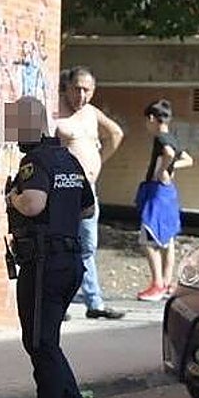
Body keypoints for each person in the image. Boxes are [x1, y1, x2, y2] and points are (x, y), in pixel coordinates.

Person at [3, 95, 99, 398]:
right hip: (68, 262)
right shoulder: (68, 159)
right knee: (44, 343)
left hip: (44, 263)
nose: (15, 137)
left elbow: (33, 203)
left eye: (17, 128)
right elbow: (88, 209)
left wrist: (12, 197)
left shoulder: (35, 161)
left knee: (41, 344)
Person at [55, 66, 126, 320]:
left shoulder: (91, 113)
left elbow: (116, 133)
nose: (81, 95)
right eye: (77, 89)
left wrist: (98, 161)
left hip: (87, 191)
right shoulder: (55, 110)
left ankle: (94, 303)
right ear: (67, 87)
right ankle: (59, 304)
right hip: (62, 190)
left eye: (87, 90)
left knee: (87, 247)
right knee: (61, 247)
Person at [135, 99, 193, 301]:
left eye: (147, 120)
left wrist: (162, 170)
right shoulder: (173, 137)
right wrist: (172, 167)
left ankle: (157, 285)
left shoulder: (161, 138)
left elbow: (168, 153)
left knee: (148, 240)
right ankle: (167, 283)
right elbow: (188, 160)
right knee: (167, 240)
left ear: (152, 118)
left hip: (157, 193)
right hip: (169, 193)